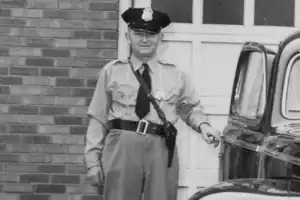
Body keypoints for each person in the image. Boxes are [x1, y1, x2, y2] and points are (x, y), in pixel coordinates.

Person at [84, 7, 221, 200]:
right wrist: (93, 162)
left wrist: (204, 126)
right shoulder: (112, 71)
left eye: (151, 34)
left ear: (160, 37)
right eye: (138, 33)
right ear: (127, 35)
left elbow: (190, 109)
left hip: (160, 148)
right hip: (122, 146)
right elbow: (98, 118)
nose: (145, 39)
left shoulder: (175, 75)